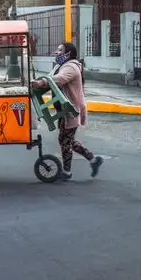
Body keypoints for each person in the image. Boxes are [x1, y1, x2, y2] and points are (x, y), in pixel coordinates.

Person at [30, 41, 103, 181]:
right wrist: (39, 82)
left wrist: (42, 83)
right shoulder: (61, 65)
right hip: (64, 109)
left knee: (65, 140)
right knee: (67, 139)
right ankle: (93, 160)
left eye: (60, 50)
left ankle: (67, 172)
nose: (56, 53)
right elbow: (50, 78)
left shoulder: (71, 67)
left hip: (71, 109)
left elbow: (59, 79)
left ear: (68, 53)